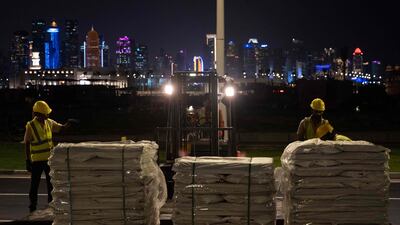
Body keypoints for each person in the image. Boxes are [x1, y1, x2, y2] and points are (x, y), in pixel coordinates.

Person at [24, 100, 71, 212]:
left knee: (51, 184)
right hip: (37, 161)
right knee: (34, 185)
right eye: (45, 113)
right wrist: (28, 160)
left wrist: (68, 124)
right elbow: (26, 143)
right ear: (38, 114)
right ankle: (32, 207)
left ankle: (51, 205)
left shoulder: (49, 122)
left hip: (49, 160)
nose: (47, 115)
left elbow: (61, 128)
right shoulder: (31, 126)